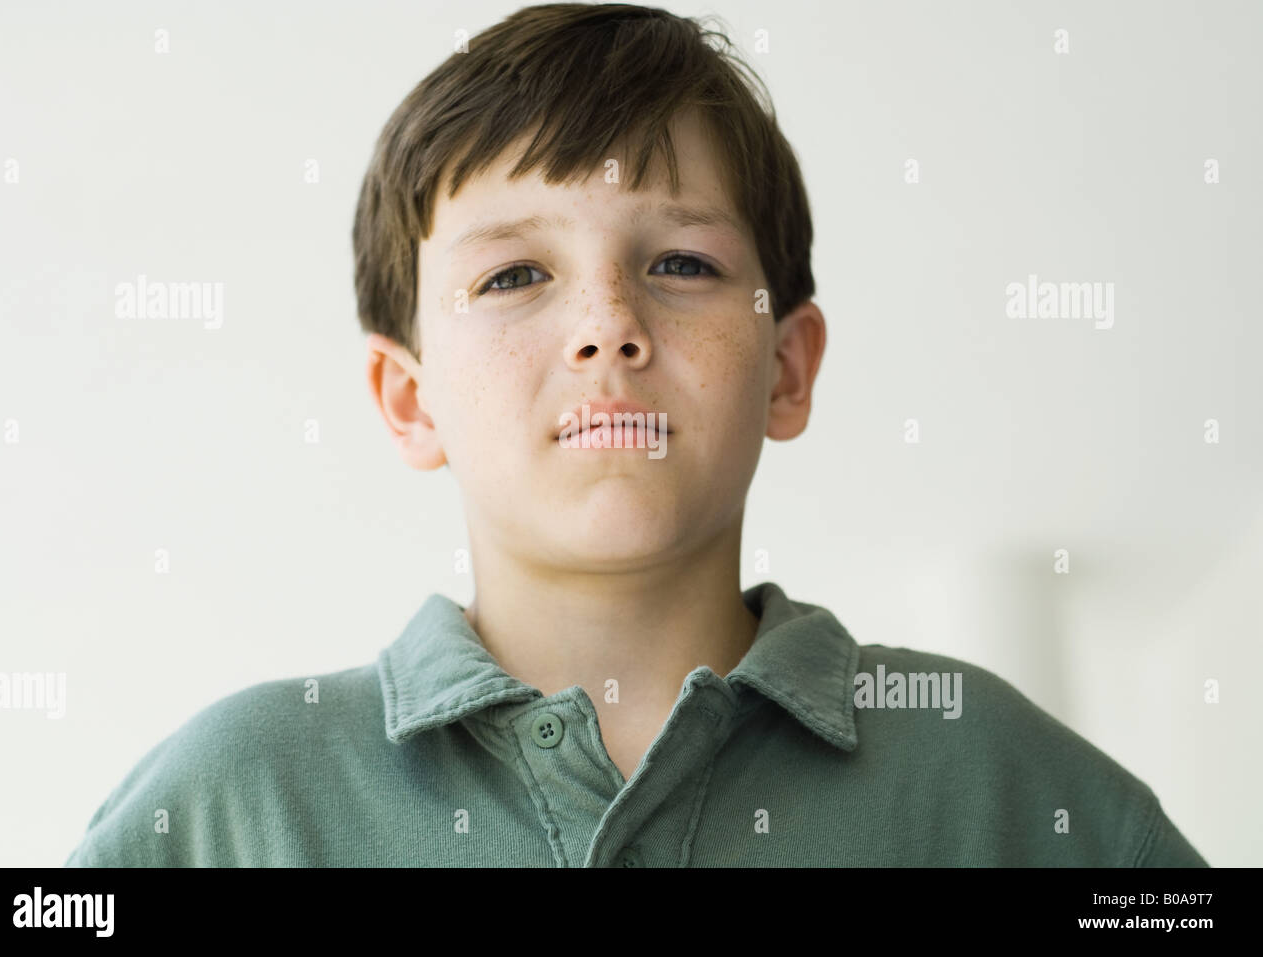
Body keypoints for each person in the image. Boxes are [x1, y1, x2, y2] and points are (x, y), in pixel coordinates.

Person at [65, 2, 1206, 867]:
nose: (608, 326)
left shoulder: (995, 783)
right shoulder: (233, 805)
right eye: (515, 274)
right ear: (409, 399)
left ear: (787, 370)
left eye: (680, 264)